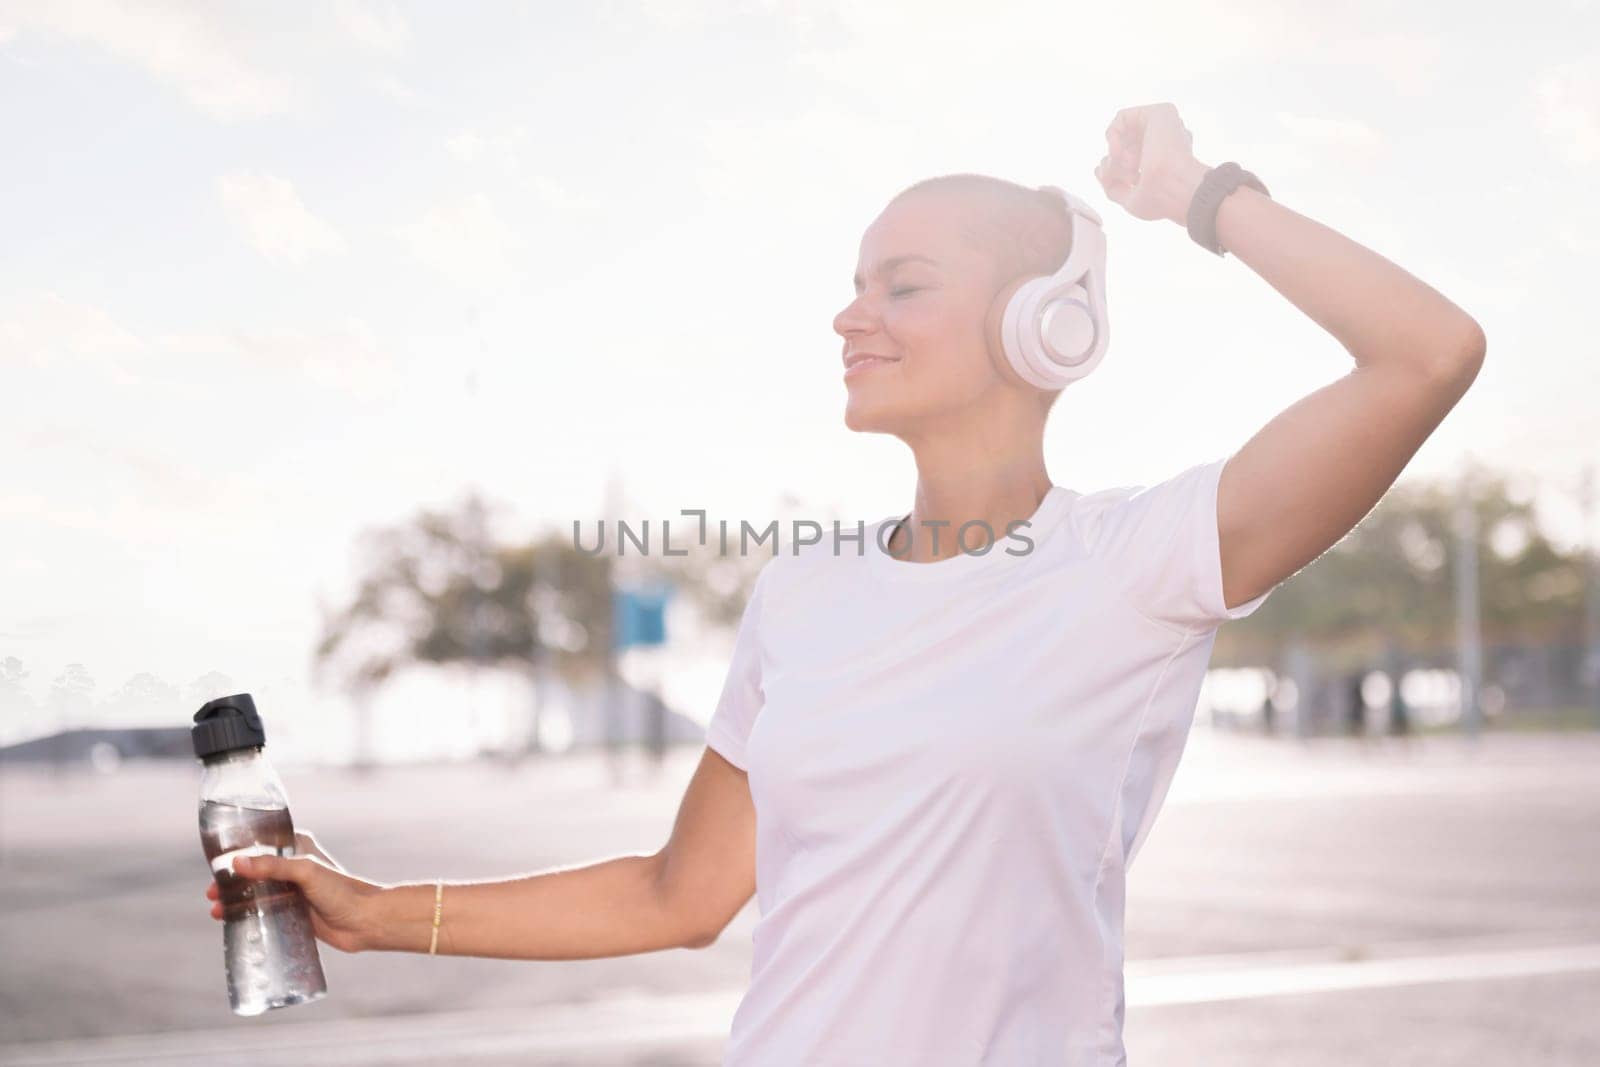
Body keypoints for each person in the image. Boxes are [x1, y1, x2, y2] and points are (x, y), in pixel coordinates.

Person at [203, 102, 1486, 1064]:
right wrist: (377, 907)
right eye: (854, 282)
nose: (848, 315)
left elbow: (1426, 353)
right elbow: (679, 892)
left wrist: (1202, 195)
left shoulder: (1139, 562)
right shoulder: (804, 594)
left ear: (1049, 323)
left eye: (902, 285)